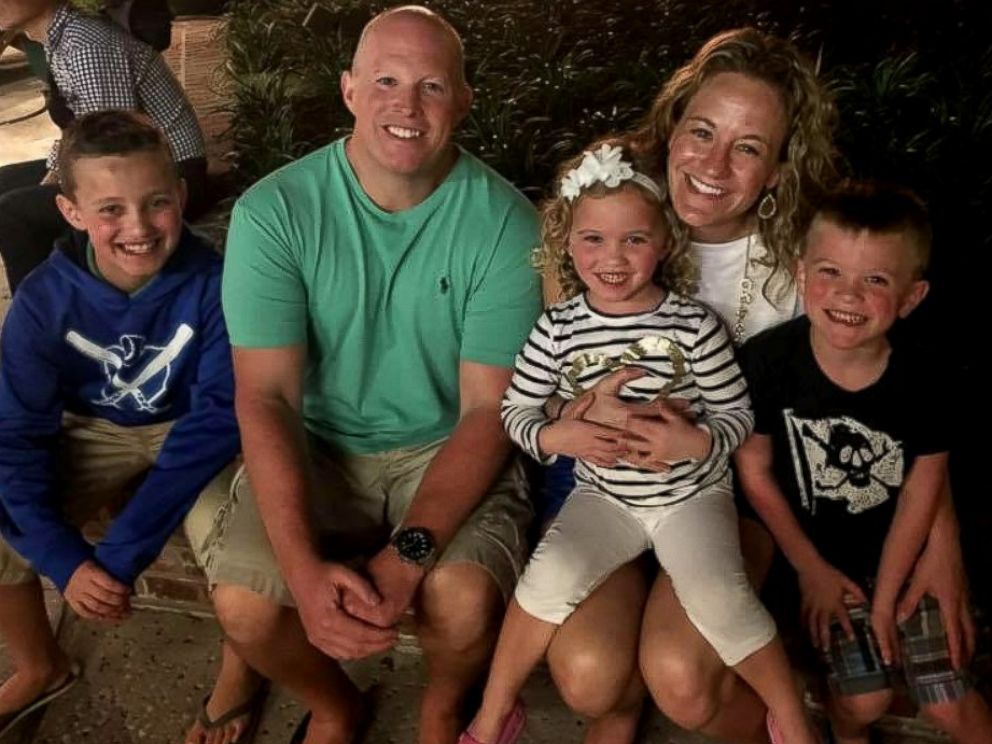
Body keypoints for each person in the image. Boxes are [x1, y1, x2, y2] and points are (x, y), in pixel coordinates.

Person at [539, 29, 971, 744]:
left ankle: (787, 728)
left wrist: (942, 545)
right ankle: (620, 706)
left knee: (679, 676)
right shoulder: (607, 218)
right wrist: (576, 413)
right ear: (672, 127)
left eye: (747, 147)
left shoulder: (806, 260)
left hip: (733, 498)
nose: (712, 164)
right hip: (609, 484)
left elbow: (893, 398)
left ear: (776, 169)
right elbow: (548, 374)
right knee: (587, 674)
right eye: (702, 131)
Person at [187, 6, 541, 744]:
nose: (406, 107)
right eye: (385, 80)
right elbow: (269, 394)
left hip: (442, 445)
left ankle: (442, 706)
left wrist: (407, 555)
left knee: (462, 600)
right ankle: (335, 702)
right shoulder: (276, 212)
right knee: (246, 607)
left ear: (464, 101)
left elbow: (486, 413)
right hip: (317, 441)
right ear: (349, 89)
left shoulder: (504, 221)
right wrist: (304, 574)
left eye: (432, 87)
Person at [461, 141, 819, 744]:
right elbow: (514, 411)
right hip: (606, 498)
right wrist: (557, 433)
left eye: (634, 239)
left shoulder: (692, 324)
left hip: (690, 497)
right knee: (546, 578)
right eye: (593, 239)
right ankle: (493, 715)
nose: (613, 258)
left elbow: (736, 414)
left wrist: (698, 442)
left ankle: (791, 717)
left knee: (717, 595)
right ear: (567, 245)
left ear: (664, 243)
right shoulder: (557, 328)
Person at [0, 110, 239, 737]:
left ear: (180, 196)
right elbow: (16, 436)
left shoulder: (216, 283)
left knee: (242, 542)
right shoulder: (41, 303)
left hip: (193, 426)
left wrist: (123, 550)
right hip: (94, 425)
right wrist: (64, 561)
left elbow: (218, 417)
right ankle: (39, 665)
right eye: (110, 210)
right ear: (71, 212)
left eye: (156, 203)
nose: (137, 227)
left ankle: (242, 675)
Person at [736, 180, 992, 744]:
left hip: (908, 556)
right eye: (830, 272)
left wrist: (885, 604)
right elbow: (753, 470)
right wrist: (809, 568)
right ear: (802, 275)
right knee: (865, 700)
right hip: (822, 565)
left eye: (874, 280)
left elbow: (922, 492)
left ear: (910, 297)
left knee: (950, 702)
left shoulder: (926, 377)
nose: (848, 296)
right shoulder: (769, 361)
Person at [0, 0, 207, 293]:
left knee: (14, 213)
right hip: (122, 162)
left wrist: (52, 184)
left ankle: (41, 312)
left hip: (164, 174)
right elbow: (83, 134)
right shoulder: (57, 39)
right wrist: (52, 176)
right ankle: (63, 289)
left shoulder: (86, 43)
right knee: (5, 182)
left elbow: (107, 143)